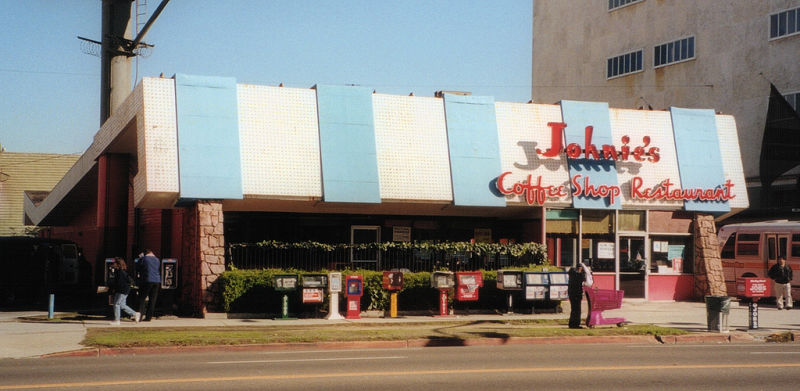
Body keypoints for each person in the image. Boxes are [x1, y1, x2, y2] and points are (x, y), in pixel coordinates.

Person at [109, 257, 140, 325]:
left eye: (114, 263)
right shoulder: (120, 271)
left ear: (118, 264)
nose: (113, 264)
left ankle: (117, 320)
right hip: (124, 290)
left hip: (122, 290)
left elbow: (119, 283)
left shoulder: (120, 272)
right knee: (122, 305)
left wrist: (113, 288)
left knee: (116, 304)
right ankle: (135, 313)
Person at [136, 249, 161, 321]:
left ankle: (139, 317)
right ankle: (148, 317)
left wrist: (140, 258)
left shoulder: (144, 259)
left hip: (146, 280)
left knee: (142, 298)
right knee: (152, 299)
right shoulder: (157, 260)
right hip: (157, 280)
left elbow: (137, 267)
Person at [568, 263, 586, 329]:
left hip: (572, 294)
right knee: (577, 310)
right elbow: (583, 278)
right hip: (576, 294)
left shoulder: (572, 274)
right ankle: (575, 324)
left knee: (574, 310)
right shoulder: (577, 275)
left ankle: (572, 324)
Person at [580, 261, 593, 327]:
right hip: (588, 289)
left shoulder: (589, 275)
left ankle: (590, 319)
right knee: (590, 305)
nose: (590, 269)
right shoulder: (587, 273)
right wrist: (582, 264)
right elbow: (586, 270)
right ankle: (590, 319)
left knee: (591, 305)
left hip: (589, 289)